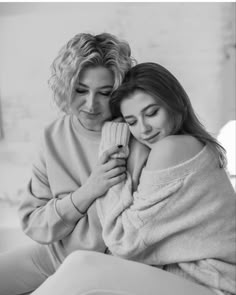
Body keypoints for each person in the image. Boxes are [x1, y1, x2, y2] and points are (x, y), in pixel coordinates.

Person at [30, 63, 236, 295]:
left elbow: (122, 242)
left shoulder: (171, 148)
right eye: (132, 121)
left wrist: (110, 146)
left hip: (214, 285)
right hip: (193, 280)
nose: (144, 129)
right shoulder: (194, 146)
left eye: (151, 113)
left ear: (175, 105)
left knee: (83, 265)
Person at [0, 32, 149, 295]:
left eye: (104, 93)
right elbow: (34, 222)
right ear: (66, 86)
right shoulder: (52, 136)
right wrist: (89, 190)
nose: (91, 104)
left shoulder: (136, 138)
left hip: (106, 266)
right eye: (81, 90)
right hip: (54, 255)